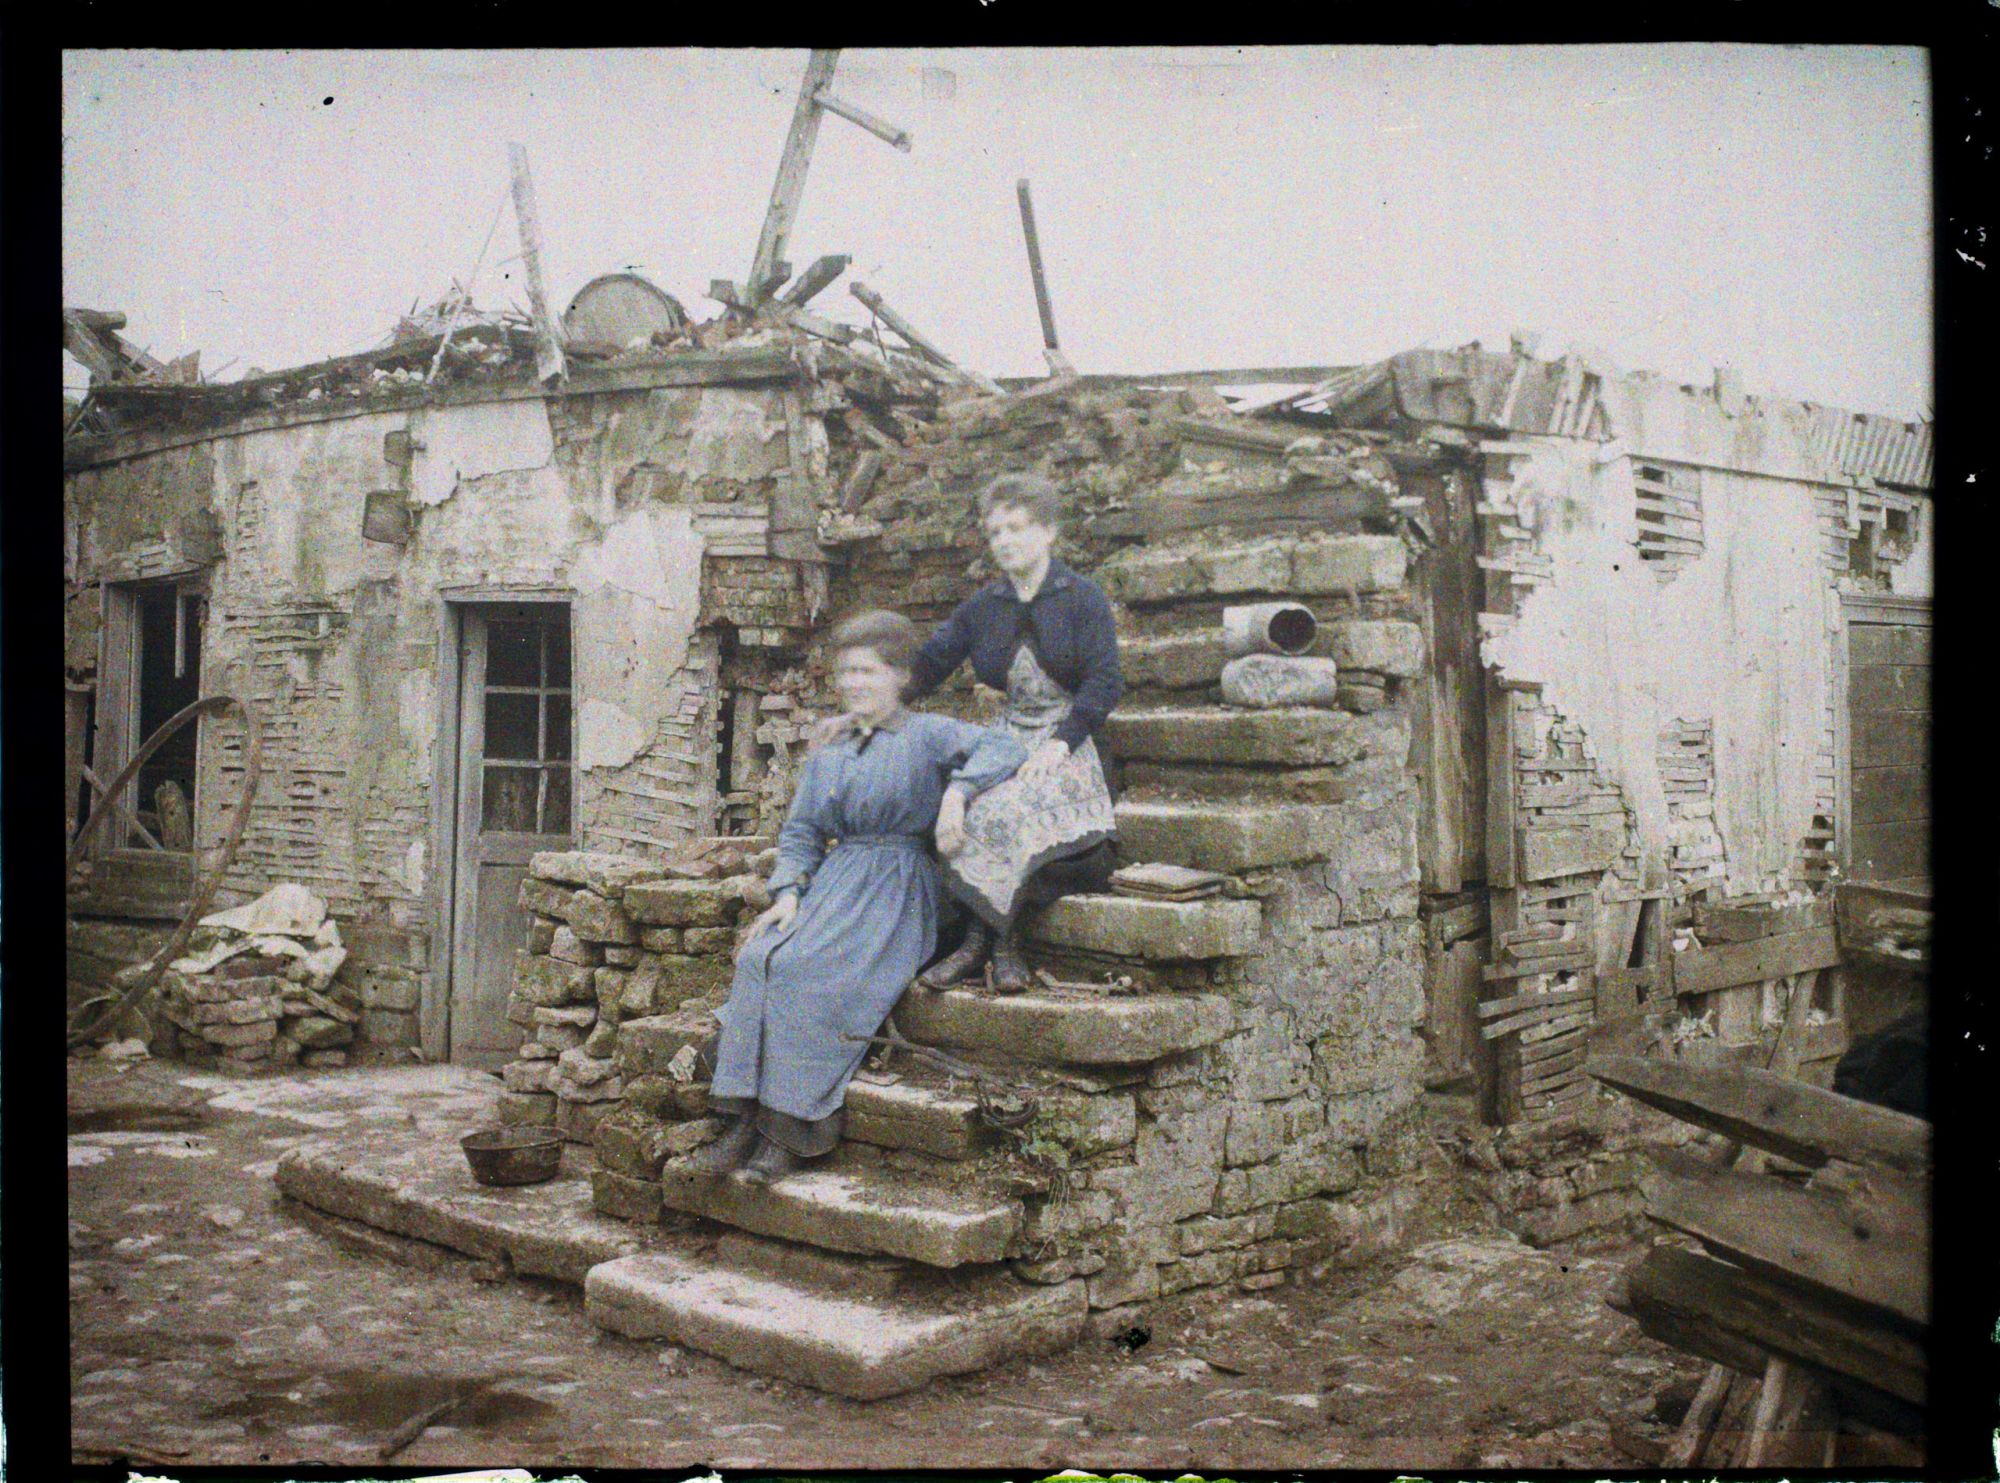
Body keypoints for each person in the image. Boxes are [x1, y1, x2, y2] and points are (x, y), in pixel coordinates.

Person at [687, 609, 1028, 1184]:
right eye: (845, 672)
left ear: (900, 676)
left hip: (900, 888)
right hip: (835, 883)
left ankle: (788, 1132)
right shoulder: (833, 747)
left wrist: (958, 793)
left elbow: (1005, 748)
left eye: (867, 671)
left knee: (808, 970)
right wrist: (788, 893)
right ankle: (740, 1121)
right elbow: (802, 831)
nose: (852, 683)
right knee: (759, 958)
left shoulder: (928, 733)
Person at [825, 473, 1124, 992]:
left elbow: (1105, 681)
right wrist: (867, 712)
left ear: (1048, 532)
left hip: (1066, 741)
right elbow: (929, 665)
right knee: (944, 803)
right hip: (1004, 737)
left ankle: (995, 945)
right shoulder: (983, 608)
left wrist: (1060, 744)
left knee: (1004, 811)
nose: (1004, 541)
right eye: (995, 532)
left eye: (1017, 528)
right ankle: (975, 945)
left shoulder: (1082, 598)